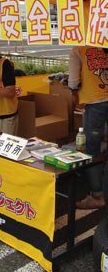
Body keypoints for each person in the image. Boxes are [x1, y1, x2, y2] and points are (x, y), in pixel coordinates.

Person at [68, 45, 108, 209]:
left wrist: (73, 90)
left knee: (92, 149)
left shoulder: (79, 48)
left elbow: (73, 81)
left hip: (95, 102)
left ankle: (97, 196)